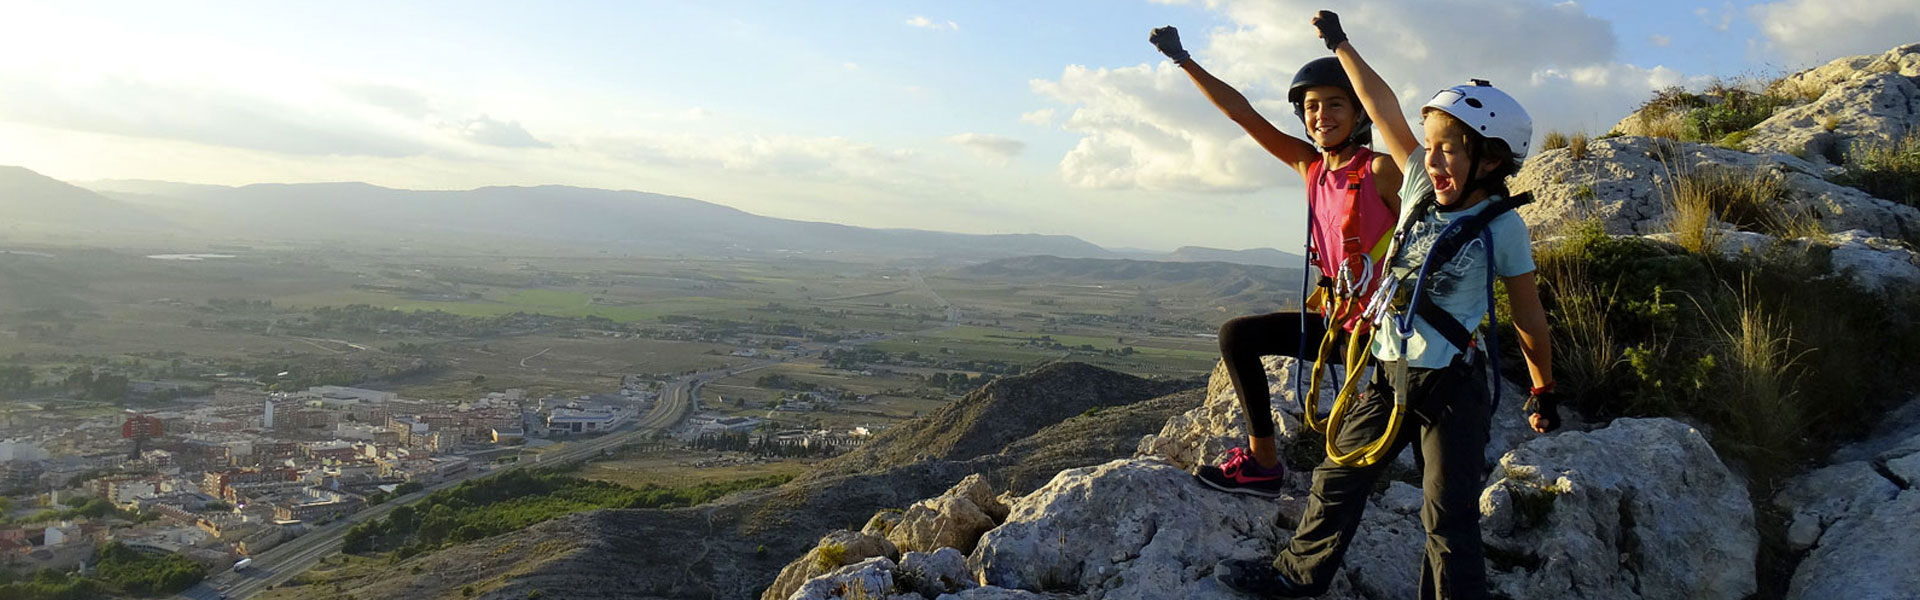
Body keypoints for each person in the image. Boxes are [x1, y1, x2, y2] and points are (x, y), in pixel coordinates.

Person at [1206, 11, 1564, 600]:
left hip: (1453, 384)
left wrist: (1542, 389)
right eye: (1433, 146)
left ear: (1493, 161)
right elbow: (1381, 107)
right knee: (1337, 477)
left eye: (1452, 150)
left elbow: (1528, 317)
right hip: (1390, 370)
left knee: (1447, 515)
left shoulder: (1503, 228)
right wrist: (1340, 45)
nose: (1435, 159)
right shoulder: (1421, 183)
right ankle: (1296, 578)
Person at [1148, 24, 1403, 499]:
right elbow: (1244, 115)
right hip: (1337, 324)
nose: (1321, 114)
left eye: (1334, 103)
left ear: (1358, 113)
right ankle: (1264, 465)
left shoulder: (1381, 170)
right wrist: (1184, 61)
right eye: (1311, 107)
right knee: (1237, 336)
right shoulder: (1311, 168)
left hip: (1381, 330)